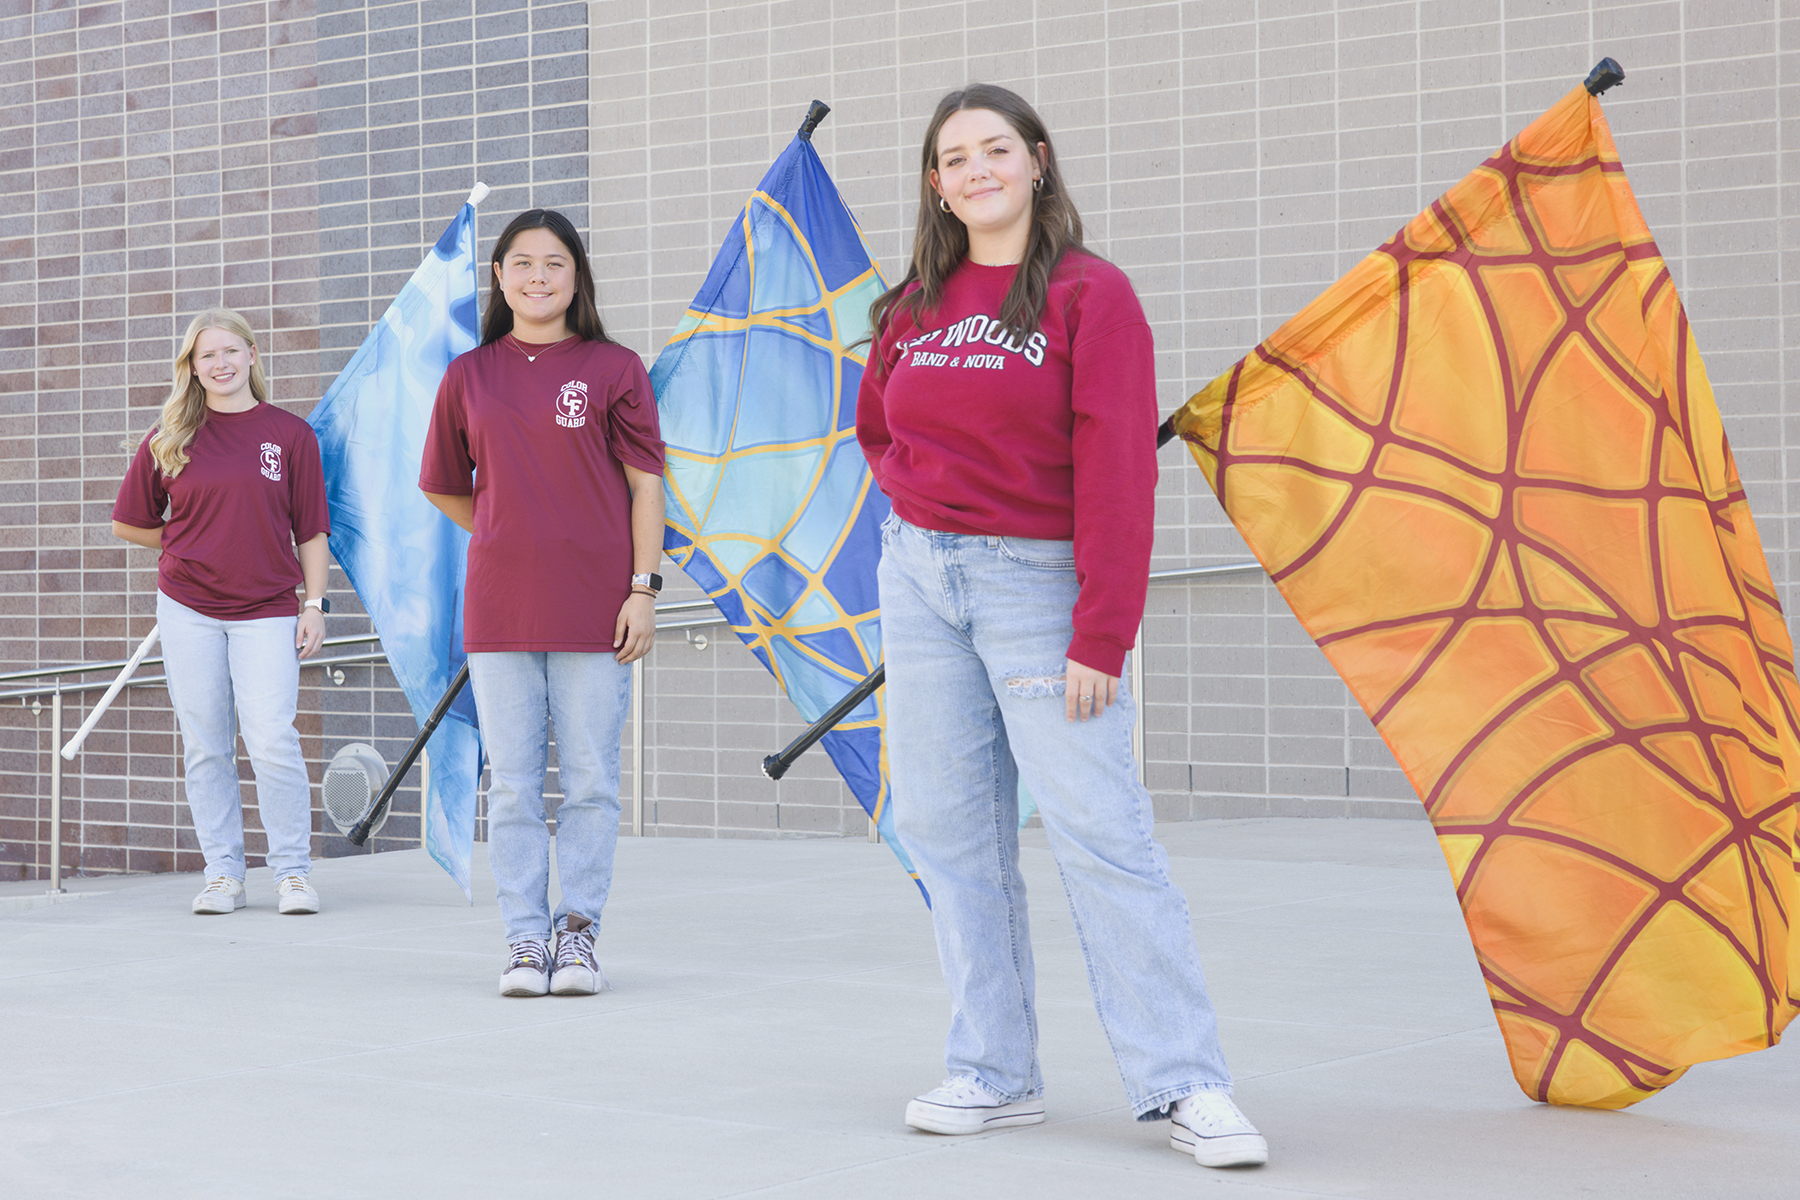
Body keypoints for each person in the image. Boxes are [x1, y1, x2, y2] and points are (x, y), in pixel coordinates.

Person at [856, 85, 1268, 1169]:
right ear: (936, 184)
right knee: (949, 834)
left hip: (1037, 588)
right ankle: (994, 1073)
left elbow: (1120, 469)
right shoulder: (912, 305)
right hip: (921, 579)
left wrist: (1103, 631)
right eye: (955, 157)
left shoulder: (1093, 296)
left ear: (1038, 161)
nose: (977, 168)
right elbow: (876, 429)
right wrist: (920, 515)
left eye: (997, 148)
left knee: (1099, 831)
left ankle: (1185, 1082)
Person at [420, 209, 665, 998]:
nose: (537, 276)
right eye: (521, 263)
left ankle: (579, 934)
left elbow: (646, 487)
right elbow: (443, 485)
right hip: (500, 608)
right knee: (517, 783)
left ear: (576, 277)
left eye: (554, 263)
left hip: (598, 606)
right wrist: (503, 526)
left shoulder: (615, 367)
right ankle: (525, 941)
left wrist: (643, 589)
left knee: (591, 779)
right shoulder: (470, 375)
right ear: (499, 277)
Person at [112, 308, 330, 916]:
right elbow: (130, 522)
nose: (221, 363)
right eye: (208, 355)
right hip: (188, 610)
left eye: (231, 351)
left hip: (267, 608)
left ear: (252, 356)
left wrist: (313, 605)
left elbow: (311, 528)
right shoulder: (170, 437)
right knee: (207, 745)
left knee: (272, 740)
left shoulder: (289, 435)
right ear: (193, 366)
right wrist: (191, 544)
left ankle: (291, 873)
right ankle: (223, 875)